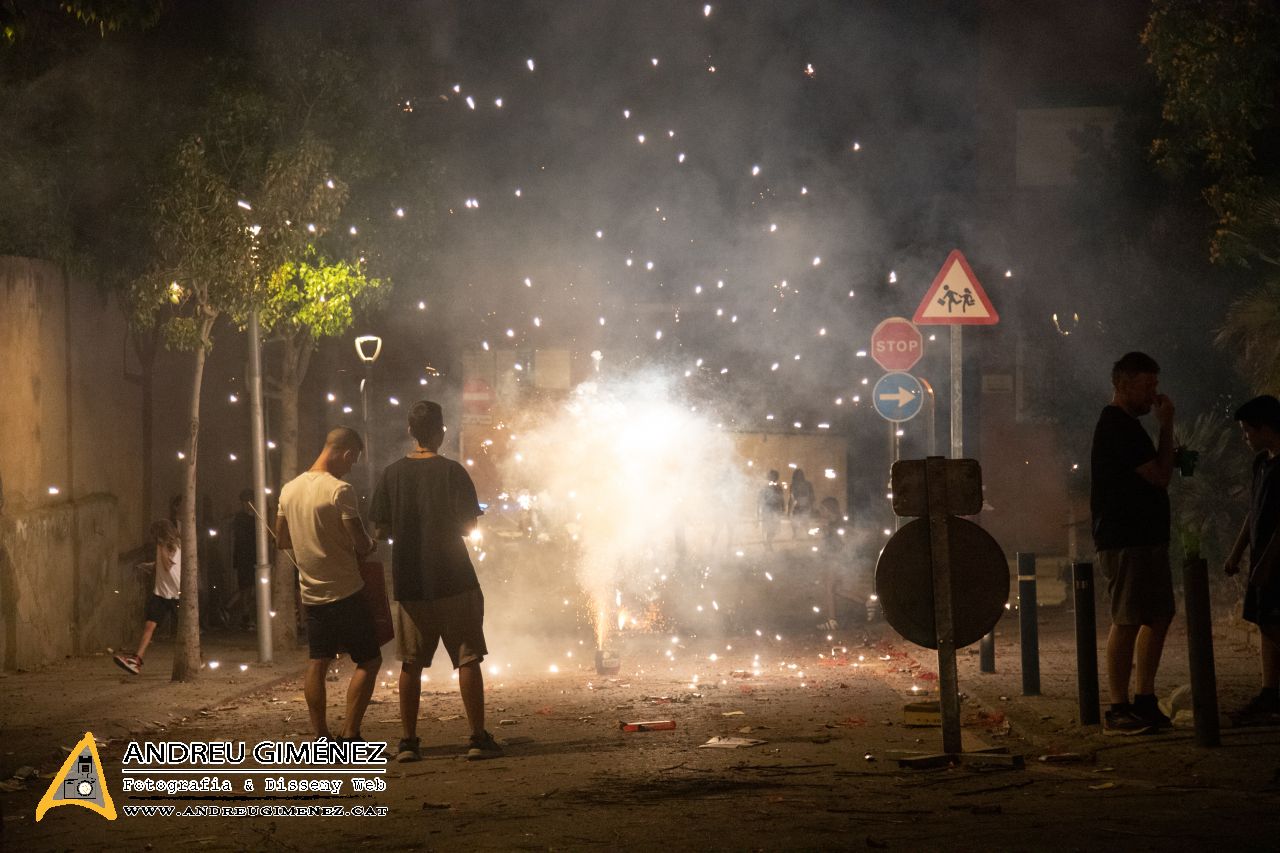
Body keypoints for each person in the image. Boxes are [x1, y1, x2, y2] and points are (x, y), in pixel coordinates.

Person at [370, 401, 502, 762]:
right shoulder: (453, 472)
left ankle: (409, 743)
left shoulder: (391, 474)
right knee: (468, 659)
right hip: (454, 578)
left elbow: (381, 529)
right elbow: (469, 526)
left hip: (411, 581)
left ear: (411, 431)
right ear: (442, 431)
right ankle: (477, 738)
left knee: (411, 665)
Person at [275, 427, 381, 741]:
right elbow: (361, 543)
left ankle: (321, 736)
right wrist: (370, 544)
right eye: (352, 461)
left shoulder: (289, 490)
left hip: (311, 593)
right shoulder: (340, 490)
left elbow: (281, 539)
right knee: (369, 659)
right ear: (345, 453)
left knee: (317, 661)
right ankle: (350, 732)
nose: (351, 467)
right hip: (346, 591)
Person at [1090, 351, 1176, 735]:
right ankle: (1118, 706)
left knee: (1158, 616)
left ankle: (1144, 699)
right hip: (1125, 537)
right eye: (1147, 386)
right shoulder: (1117, 425)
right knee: (1126, 618)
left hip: (1148, 536)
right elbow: (1159, 475)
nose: (1153, 395)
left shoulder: (1129, 425)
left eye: (1155, 386)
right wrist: (1167, 426)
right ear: (1123, 384)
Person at [1224, 395, 1280, 724]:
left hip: (1274, 563)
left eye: (1247, 430)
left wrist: (1266, 564)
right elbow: (1253, 512)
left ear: (1266, 429)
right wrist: (1237, 552)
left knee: (1274, 623)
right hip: (1261, 560)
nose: (1245, 437)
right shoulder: (1261, 463)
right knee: (1265, 623)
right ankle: (1269, 692)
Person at [113, 519, 182, 675]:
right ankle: (136, 660)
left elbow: (168, 565)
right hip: (161, 593)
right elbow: (163, 565)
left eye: (154, 535)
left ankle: (196, 658)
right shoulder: (163, 546)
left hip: (176, 593)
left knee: (182, 630)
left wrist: (161, 546)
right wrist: (149, 566)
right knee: (149, 626)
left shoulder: (173, 545)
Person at [221, 489, 257, 629]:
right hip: (244, 557)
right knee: (245, 588)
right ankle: (232, 610)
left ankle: (242, 615)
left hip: (250, 557)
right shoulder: (241, 518)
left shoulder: (249, 517)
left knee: (248, 588)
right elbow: (242, 539)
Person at [757, 469, 784, 551]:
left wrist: (783, 507)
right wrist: (759, 510)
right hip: (767, 509)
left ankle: (768, 542)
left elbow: (781, 498)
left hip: (775, 509)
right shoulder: (764, 487)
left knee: (774, 528)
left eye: (775, 476)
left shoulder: (778, 487)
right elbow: (760, 499)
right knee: (767, 527)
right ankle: (768, 543)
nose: (773, 478)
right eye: (772, 476)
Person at [788, 468, 815, 538]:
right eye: (797, 474)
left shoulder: (808, 484)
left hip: (806, 504)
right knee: (794, 519)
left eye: (800, 474)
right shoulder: (793, 485)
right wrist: (789, 509)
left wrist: (812, 505)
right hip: (797, 504)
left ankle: (807, 533)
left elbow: (812, 495)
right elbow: (791, 497)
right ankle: (795, 533)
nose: (799, 476)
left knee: (805, 520)